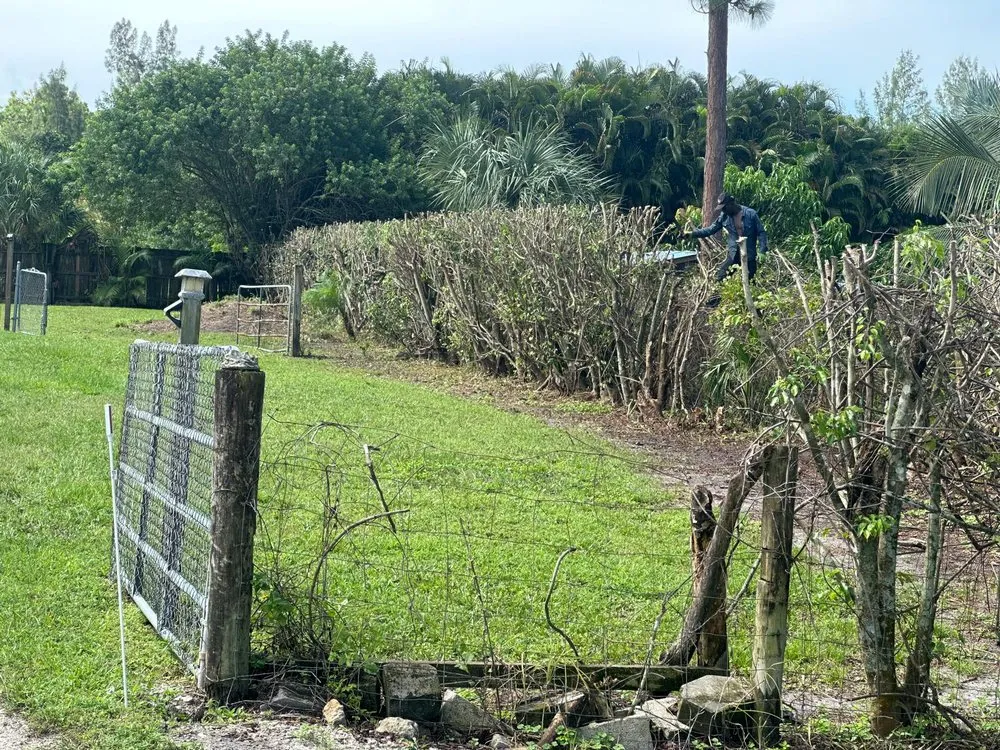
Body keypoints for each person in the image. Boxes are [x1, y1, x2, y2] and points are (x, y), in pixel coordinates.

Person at [682, 193, 768, 282]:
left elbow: (761, 233)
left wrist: (762, 251)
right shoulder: (724, 216)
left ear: (731, 203)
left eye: (724, 207)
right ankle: (716, 296)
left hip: (749, 255)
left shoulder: (751, 214)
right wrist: (692, 234)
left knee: (750, 282)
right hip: (734, 255)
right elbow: (710, 230)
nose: (723, 210)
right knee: (720, 278)